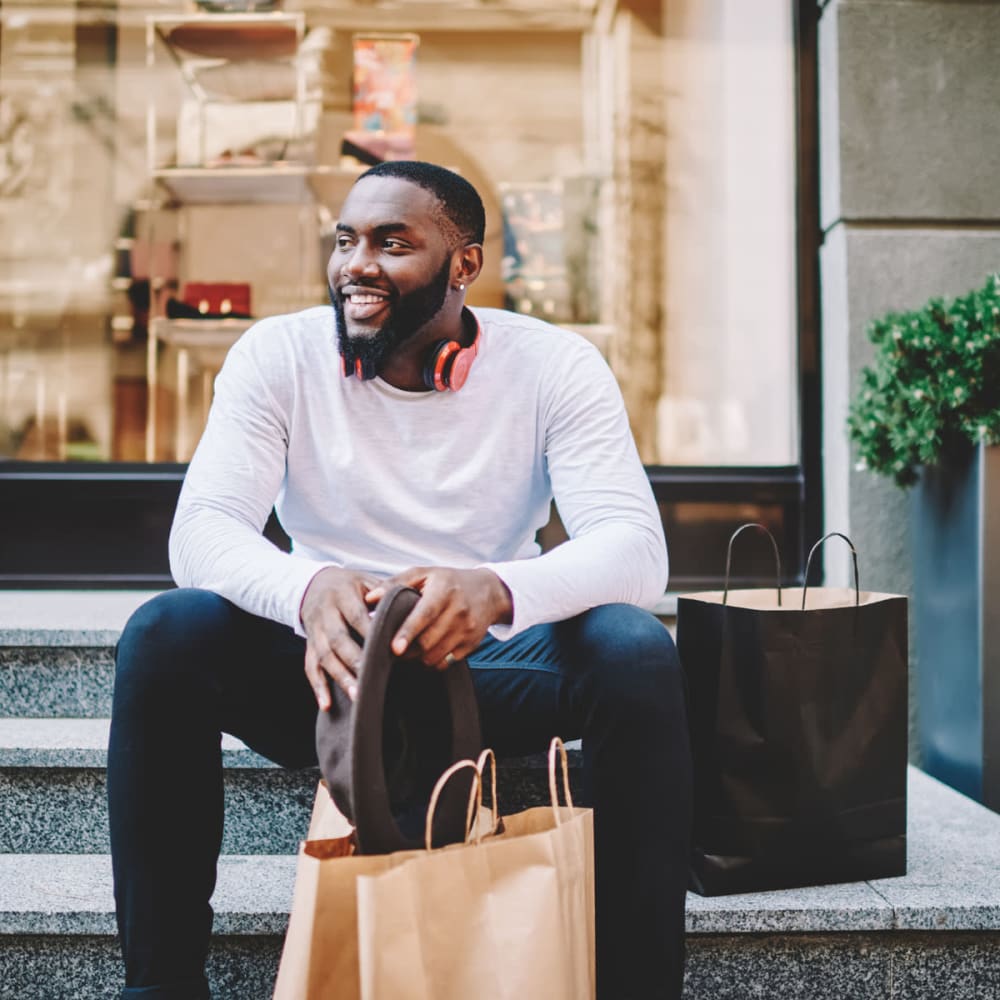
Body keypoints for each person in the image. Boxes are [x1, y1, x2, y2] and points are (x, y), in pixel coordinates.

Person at [108, 160, 692, 999]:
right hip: (331, 678)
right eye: (346, 241)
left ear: (465, 265)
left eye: (392, 243)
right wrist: (306, 593)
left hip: (487, 672)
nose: (357, 265)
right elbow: (201, 533)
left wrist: (497, 590)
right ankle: (159, 988)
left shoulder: (555, 366)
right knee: (166, 633)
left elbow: (636, 549)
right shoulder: (276, 356)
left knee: (633, 648)